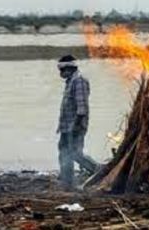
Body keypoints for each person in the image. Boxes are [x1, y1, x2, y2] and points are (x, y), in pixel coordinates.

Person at [56, 55, 93, 188]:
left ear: (69, 68)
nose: (60, 73)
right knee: (63, 152)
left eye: (61, 70)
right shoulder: (70, 81)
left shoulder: (79, 81)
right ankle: (67, 182)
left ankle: (97, 171)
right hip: (66, 127)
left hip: (75, 126)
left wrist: (77, 126)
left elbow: (82, 107)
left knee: (75, 154)